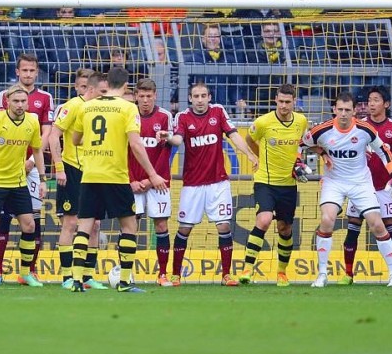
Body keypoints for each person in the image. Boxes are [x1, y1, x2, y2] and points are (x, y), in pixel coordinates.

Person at [71, 67, 167, 293]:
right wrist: (152, 173)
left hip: (91, 174)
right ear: (125, 86)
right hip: (115, 175)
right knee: (129, 225)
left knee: (84, 226)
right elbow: (135, 144)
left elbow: (75, 139)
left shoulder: (87, 107)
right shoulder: (127, 108)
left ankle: (76, 281)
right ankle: (124, 281)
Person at [159, 81, 259, 286]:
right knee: (184, 228)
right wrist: (168, 137)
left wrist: (249, 155)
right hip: (193, 184)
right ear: (190, 99)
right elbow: (178, 140)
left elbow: (234, 136)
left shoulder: (218, 112)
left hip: (218, 183)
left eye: (203, 96)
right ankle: (176, 274)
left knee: (223, 226)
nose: (200, 100)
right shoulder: (183, 117)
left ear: (209, 97)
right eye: (196, 96)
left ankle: (226, 275)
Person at [302, 91, 392, 288]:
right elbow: (303, 144)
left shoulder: (365, 130)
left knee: (377, 224)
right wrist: (321, 154)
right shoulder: (322, 130)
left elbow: (385, 152)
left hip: (360, 183)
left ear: (355, 111)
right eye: (340, 109)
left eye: (348, 110)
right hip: (334, 181)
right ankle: (322, 274)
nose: (343, 114)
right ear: (334, 110)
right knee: (327, 219)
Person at [0, 84, 46, 287]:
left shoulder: (32, 121)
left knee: (30, 225)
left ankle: (25, 274)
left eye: (23, 101)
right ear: (7, 102)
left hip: (19, 182)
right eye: (16, 101)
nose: (20, 105)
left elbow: (37, 150)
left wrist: (42, 179)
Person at [239, 84, 309, 286]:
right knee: (264, 220)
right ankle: (247, 269)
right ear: (275, 100)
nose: (284, 106)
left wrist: (298, 161)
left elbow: (301, 144)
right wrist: (258, 157)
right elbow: (249, 139)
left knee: (285, 228)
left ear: (294, 102)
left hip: (288, 183)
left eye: (288, 102)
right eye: (281, 101)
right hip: (265, 181)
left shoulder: (301, 121)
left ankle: (281, 272)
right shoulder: (263, 122)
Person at [0, 54, 53, 284]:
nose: (28, 74)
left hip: (33, 167)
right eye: (24, 70)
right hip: (6, 167)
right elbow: (1, 127)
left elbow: (46, 133)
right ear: (17, 72)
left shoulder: (45, 98)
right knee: (3, 217)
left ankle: (30, 269)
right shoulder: (5, 96)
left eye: (32, 70)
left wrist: (32, 162)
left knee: (33, 220)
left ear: (37, 72)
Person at [340, 86, 392, 285]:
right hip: (360, 187)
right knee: (353, 228)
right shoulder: (358, 125)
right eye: (369, 100)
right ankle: (348, 274)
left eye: (376, 100)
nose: (371, 104)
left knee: (390, 229)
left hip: (385, 188)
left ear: (386, 104)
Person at [48, 69, 107, 290]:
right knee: (71, 223)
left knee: (95, 225)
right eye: (102, 91)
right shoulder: (72, 106)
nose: (105, 94)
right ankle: (66, 277)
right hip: (72, 169)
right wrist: (59, 168)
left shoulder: (102, 108)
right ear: (91, 89)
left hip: (95, 170)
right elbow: (54, 135)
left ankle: (88, 275)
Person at [129, 78, 174, 286]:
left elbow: (167, 155)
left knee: (162, 224)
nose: (145, 100)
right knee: (129, 226)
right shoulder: (128, 116)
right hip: (132, 183)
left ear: (155, 95)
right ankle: (126, 273)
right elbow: (122, 152)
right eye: (142, 96)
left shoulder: (165, 117)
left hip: (158, 182)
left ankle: (162, 274)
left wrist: (150, 179)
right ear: (136, 95)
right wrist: (130, 180)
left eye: (149, 96)